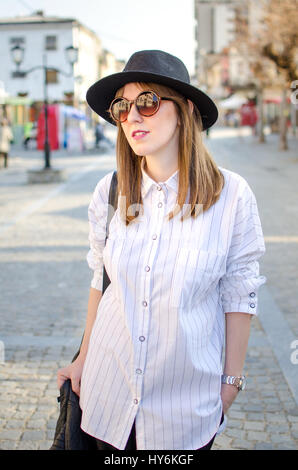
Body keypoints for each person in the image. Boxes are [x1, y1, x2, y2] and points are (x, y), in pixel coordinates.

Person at [57, 50, 266, 450]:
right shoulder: (110, 192)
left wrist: (230, 386)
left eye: (147, 102)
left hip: (185, 415)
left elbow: (240, 294)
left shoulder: (232, 195)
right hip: (106, 400)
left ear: (185, 109)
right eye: (122, 106)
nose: (132, 116)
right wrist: (84, 357)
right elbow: (101, 280)